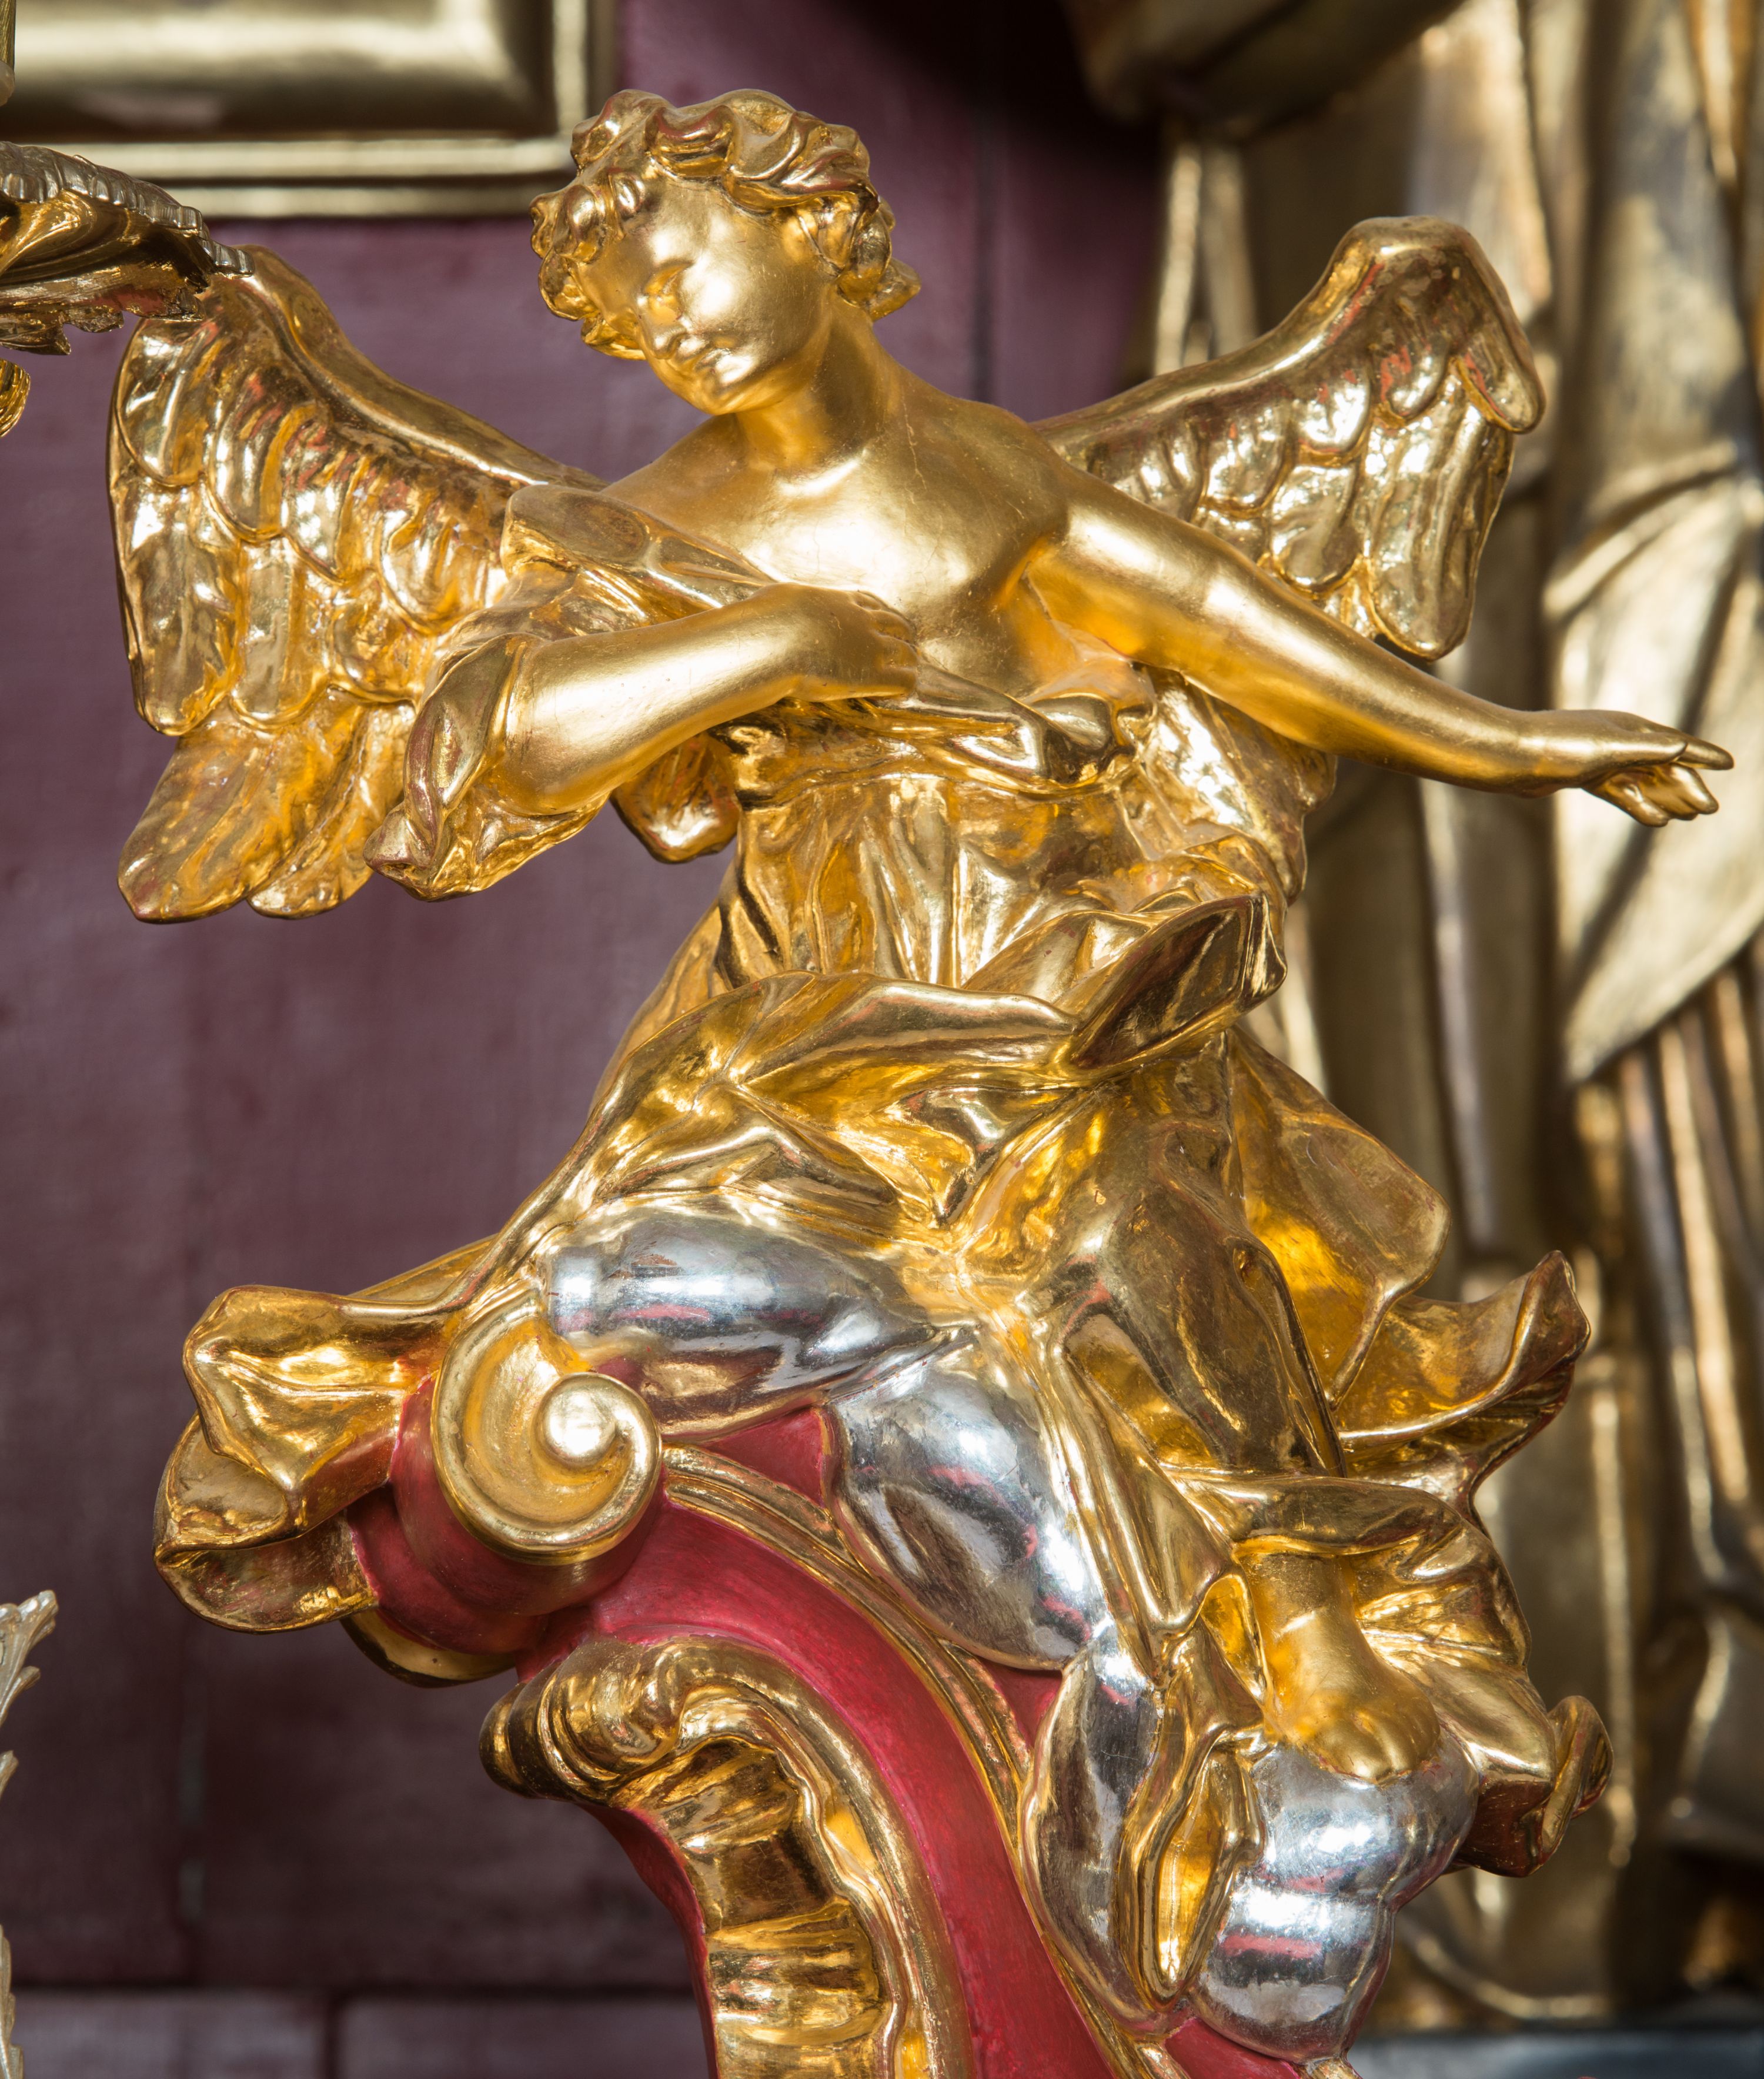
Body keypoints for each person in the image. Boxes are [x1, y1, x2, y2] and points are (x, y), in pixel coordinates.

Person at [155, 89, 1728, 2058]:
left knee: (1143, 1269)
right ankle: (1172, 1753)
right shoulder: (659, 529)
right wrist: (780, 643)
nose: (668, 322)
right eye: (630, 310)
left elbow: (1238, 628)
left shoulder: (994, 476)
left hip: (1054, 1020)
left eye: (689, 262)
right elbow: (524, 730)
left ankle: (1256, 1704)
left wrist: (1516, 744)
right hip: (807, 1062)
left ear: (813, 228)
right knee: (671, 1288)